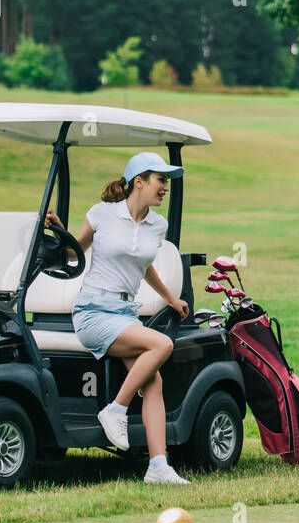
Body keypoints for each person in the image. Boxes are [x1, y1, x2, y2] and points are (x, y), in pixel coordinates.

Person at [44, 151, 191, 484]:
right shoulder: (102, 214)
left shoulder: (158, 225)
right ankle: (116, 409)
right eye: (161, 180)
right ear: (139, 181)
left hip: (124, 314)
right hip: (93, 311)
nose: (165, 187)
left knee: (154, 382)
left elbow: (143, 265)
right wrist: (59, 230)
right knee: (161, 345)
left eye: (166, 181)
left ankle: (158, 467)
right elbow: (73, 252)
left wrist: (170, 297)